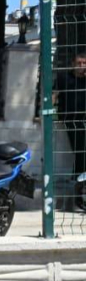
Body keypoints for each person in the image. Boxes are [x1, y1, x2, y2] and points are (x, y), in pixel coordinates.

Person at [53, 51, 86, 184]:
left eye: (84, 63)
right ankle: (78, 179)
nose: (81, 66)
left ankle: (78, 178)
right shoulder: (63, 77)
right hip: (71, 119)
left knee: (82, 150)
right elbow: (54, 94)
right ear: (73, 64)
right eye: (79, 63)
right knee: (80, 148)